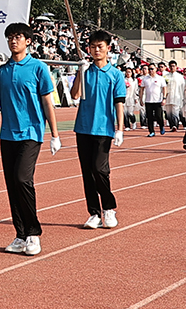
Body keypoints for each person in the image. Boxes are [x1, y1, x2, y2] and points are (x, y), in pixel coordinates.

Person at [0, 22, 60, 256]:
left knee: (23, 180)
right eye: (10, 37)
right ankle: (20, 235)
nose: (13, 41)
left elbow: (47, 102)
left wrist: (55, 134)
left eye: (18, 37)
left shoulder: (38, 68)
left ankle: (33, 233)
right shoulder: (2, 70)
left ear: (28, 41)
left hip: (31, 133)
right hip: (7, 134)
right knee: (12, 186)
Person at [70, 30, 125, 229]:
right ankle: (94, 212)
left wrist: (120, 129)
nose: (96, 50)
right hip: (83, 127)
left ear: (108, 48)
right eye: (92, 47)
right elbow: (75, 94)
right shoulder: (85, 71)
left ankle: (109, 208)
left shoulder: (115, 74)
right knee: (87, 172)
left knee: (99, 169)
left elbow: (119, 102)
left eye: (100, 46)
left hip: (104, 128)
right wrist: (80, 72)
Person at [138, 63, 166, 137]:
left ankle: (161, 126)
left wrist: (164, 98)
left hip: (157, 100)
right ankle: (151, 131)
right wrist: (140, 99)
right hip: (148, 100)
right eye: (149, 69)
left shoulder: (160, 78)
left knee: (158, 116)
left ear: (156, 69)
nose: (150, 70)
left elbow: (164, 88)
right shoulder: (145, 79)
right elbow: (141, 89)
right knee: (149, 117)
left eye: (152, 69)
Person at [162, 60, 185, 132]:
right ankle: (172, 126)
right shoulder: (165, 76)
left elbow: (183, 87)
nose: (172, 68)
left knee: (175, 112)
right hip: (168, 97)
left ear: (176, 67)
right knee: (169, 113)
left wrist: (182, 96)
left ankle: (175, 125)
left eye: (173, 66)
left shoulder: (180, 76)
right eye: (171, 66)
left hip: (177, 96)